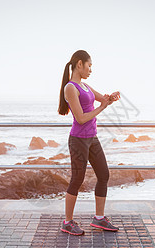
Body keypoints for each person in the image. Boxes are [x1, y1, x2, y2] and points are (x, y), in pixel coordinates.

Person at [58, 50, 120, 236]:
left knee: (104, 174)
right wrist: (101, 107)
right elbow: (81, 118)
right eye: (89, 65)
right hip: (78, 140)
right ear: (79, 64)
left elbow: (103, 99)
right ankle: (67, 222)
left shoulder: (85, 86)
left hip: (92, 138)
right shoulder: (70, 88)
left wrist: (111, 98)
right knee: (77, 180)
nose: (91, 69)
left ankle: (99, 218)